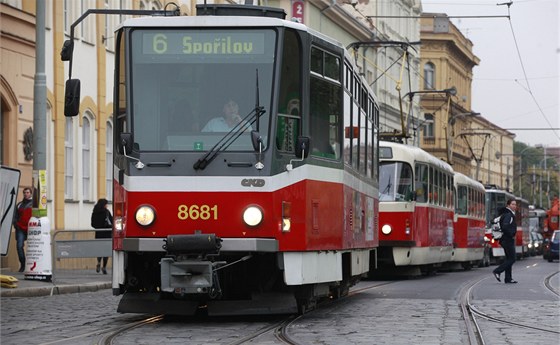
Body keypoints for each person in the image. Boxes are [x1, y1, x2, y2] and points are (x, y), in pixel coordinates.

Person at [492, 198, 518, 284]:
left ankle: (508, 278)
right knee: (512, 258)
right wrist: (511, 234)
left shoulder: (506, 213)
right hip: (507, 239)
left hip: (504, 239)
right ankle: (497, 271)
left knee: (508, 258)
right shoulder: (508, 215)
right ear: (508, 205)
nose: (514, 206)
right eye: (512, 204)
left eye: (515, 204)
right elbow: (505, 226)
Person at [13, 187, 33, 272]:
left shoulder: (34, 204)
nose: (26, 194)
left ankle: (32, 266)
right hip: (20, 228)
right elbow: (14, 216)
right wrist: (16, 225)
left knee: (33, 247)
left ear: (31, 193)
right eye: (24, 192)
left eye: (28, 192)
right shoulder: (19, 204)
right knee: (19, 246)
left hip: (31, 229)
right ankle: (23, 265)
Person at [91, 198, 113, 274]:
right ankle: (104, 267)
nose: (107, 205)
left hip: (98, 233)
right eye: (106, 204)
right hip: (107, 233)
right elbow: (112, 222)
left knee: (99, 249)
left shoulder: (94, 212)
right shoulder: (106, 212)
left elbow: (92, 224)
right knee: (106, 251)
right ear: (104, 205)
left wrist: (98, 227)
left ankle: (98, 262)